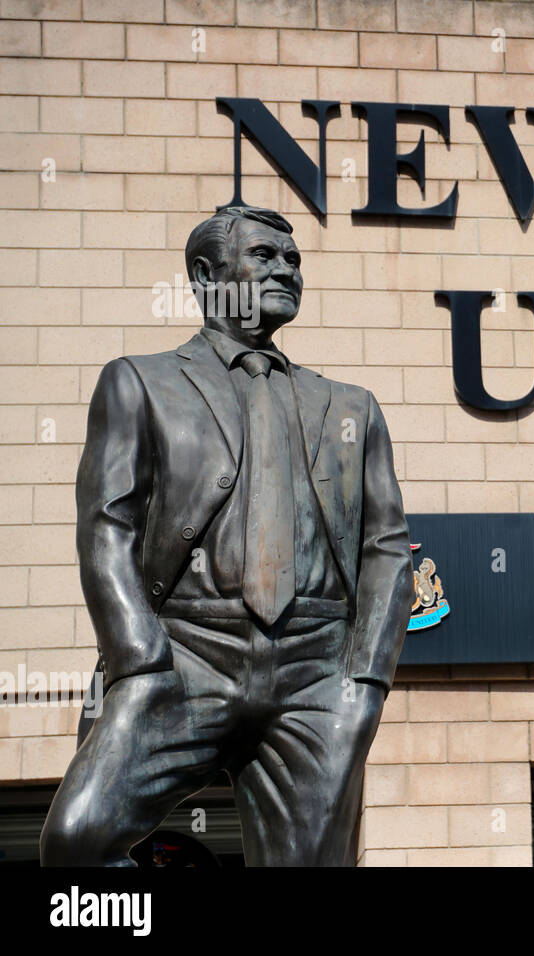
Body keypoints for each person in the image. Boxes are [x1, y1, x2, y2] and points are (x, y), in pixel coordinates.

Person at [40, 206, 414, 866]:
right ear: (206, 274)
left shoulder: (351, 407)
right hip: (185, 651)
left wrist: (364, 679)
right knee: (79, 843)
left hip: (317, 670)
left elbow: (386, 550)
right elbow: (106, 526)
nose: (286, 268)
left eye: (293, 259)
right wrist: (141, 658)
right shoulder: (141, 382)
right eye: (266, 255)